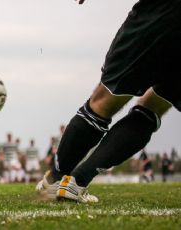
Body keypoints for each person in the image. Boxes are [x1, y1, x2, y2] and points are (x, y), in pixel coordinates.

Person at [37, 0, 181, 203]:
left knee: (103, 102)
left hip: (162, 12)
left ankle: (55, 180)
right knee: (154, 106)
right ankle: (77, 182)